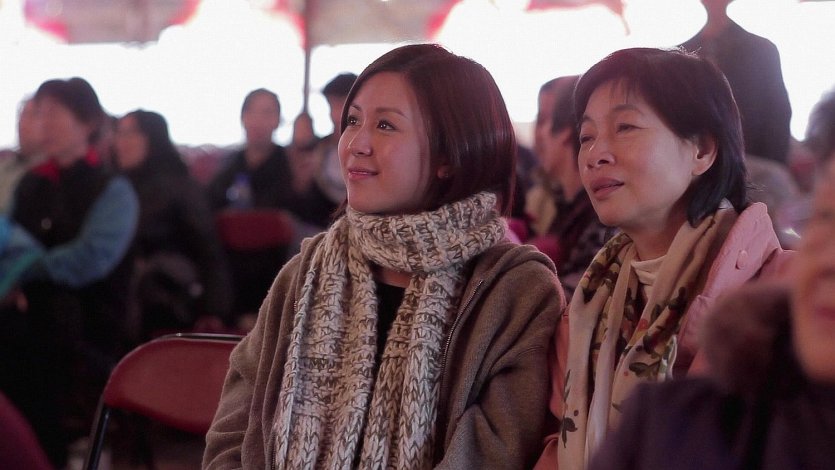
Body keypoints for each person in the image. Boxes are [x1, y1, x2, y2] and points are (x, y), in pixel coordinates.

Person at [203, 43, 564, 469]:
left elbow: (495, 453)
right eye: (353, 120)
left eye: (386, 125)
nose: (355, 143)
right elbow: (234, 429)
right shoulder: (308, 271)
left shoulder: (515, 289)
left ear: (449, 155)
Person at [534, 47, 792, 470]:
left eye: (625, 127)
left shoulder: (783, 295)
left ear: (702, 150)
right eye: (586, 136)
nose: (596, 154)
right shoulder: (584, 310)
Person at [588, 155, 835, 470]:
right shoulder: (673, 428)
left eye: (628, 130)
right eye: (825, 217)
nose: (829, 262)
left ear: (703, 151)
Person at [0, 77, 138, 467]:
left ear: (87, 123)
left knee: (30, 349)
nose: (43, 123)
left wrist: (24, 273)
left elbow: (88, 261)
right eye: (39, 113)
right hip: (30, 314)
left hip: (89, 319)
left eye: (54, 113)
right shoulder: (31, 183)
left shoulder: (113, 190)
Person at [113, 109, 232, 338]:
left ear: (152, 138)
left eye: (131, 133)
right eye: (119, 133)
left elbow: (207, 249)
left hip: (167, 291)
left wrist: (214, 309)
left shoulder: (180, 186)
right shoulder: (115, 188)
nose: (121, 142)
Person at [526, 75, 613, 298]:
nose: (539, 135)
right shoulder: (567, 207)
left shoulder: (603, 213)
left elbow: (579, 299)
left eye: (544, 121)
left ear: (565, 131)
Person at [680, 0, 792, 164]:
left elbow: (777, 111)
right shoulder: (683, 54)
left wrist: (773, 163)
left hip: (751, 158)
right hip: (695, 159)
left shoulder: (760, 49)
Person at [0, 97, 46, 213]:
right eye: (22, 115)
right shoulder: (5, 162)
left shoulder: (47, 173)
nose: (22, 123)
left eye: (32, 116)